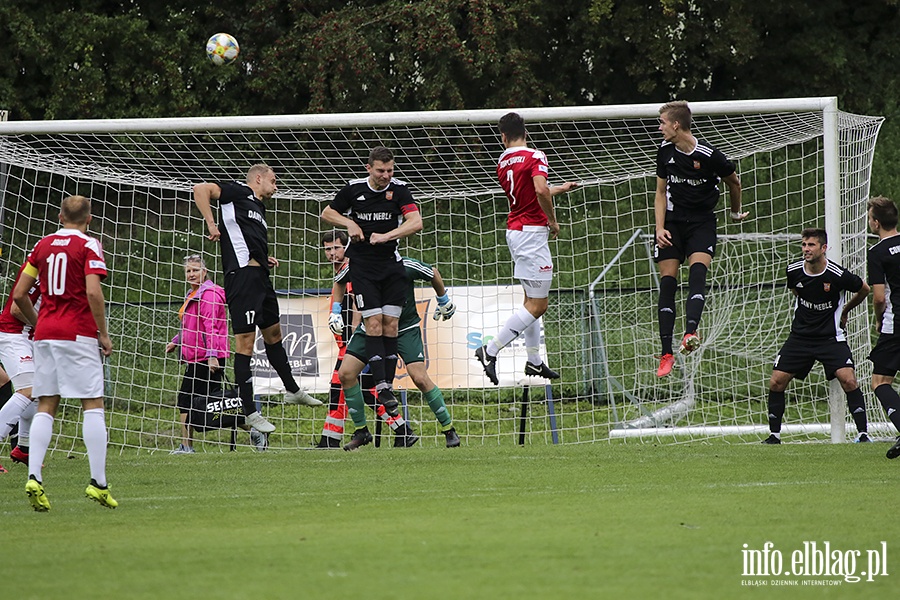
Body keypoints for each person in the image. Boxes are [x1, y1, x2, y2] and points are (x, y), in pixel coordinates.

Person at [193, 164, 322, 435]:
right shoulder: (237, 192)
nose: (276, 187)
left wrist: (264, 258)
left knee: (274, 334)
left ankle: (292, 390)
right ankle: (250, 412)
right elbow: (200, 189)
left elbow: (246, 237)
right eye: (274, 181)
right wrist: (211, 224)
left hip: (260, 277)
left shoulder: (258, 209)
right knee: (246, 344)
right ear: (259, 178)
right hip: (241, 279)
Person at [13, 195, 117, 511]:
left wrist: (40, 323)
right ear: (89, 219)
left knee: (46, 402)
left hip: (45, 333)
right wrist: (103, 332)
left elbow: (19, 294)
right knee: (93, 403)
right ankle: (98, 482)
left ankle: (34, 477)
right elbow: (92, 291)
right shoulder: (89, 245)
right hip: (78, 333)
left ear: (60, 216)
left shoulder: (42, 246)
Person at [321, 146, 423, 448]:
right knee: (373, 325)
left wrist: (388, 236)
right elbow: (327, 212)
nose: (386, 176)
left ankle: (384, 394)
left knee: (388, 325)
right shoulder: (353, 190)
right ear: (369, 168)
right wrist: (349, 223)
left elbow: (416, 222)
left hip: (390, 268)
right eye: (381, 171)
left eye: (390, 170)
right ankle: (376, 405)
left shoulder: (399, 191)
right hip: (365, 269)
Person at [475, 112, 578, 385]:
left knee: (530, 300)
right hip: (532, 234)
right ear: (526, 133)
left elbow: (532, 192)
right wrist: (553, 221)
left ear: (503, 137)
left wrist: (560, 189)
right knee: (538, 304)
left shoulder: (502, 160)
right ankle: (490, 350)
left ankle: (534, 362)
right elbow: (540, 191)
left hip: (516, 231)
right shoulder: (536, 156)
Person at [654, 100, 748, 378]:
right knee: (668, 283)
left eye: (661, 122)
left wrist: (734, 212)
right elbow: (660, 193)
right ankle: (666, 354)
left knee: (698, 274)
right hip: (672, 222)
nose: (659, 128)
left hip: (701, 223)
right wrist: (659, 228)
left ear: (676, 124)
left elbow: (735, 182)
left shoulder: (710, 155)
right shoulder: (664, 152)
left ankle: (690, 334)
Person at [332, 256, 460, 450]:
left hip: (404, 330)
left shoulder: (405, 266)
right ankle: (361, 431)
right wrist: (335, 310)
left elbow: (432, 272)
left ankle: (449, 429)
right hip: (369, 329)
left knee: (419, 377)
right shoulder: (360, 264)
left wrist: (443, 299)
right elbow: (339, 280)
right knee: (346, 374)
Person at [762, 228, 871, 444]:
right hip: (800, 337)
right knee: (776, 381)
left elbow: (864, 289)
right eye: (803, 244)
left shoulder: (837, 275)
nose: (806, 249)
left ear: (823, 248)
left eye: (811, 245)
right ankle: (774, 435)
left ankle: (863, 434)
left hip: (830, 337)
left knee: (848, 379)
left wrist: (845, 310)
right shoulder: (793, 270)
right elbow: (797, 292)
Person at [315, 231, 408, 448]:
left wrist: (356, 334)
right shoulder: (342, 272)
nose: (331, 253)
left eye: (336, 247)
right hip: (349, 341)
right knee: (366, 390)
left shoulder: (354, 269)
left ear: (346, 248)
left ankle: (330, 439)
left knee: (341, 384)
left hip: (356, 341)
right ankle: (402, 429)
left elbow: (360, 303)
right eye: (327, 249)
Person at [165, 255, 231, 454]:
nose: (191, 274)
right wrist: (177, 341)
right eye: (188, 271)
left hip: (207, 357)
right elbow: (192, 326)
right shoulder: (192, 294)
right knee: (214, 403)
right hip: (197, 356)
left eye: (195, 270)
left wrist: (212, 355)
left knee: (187, 401)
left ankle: (187, 446)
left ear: (205, 271)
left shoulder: (209, 295)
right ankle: (253, 429)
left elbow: (211, 328)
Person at [864, 196, 900, 458]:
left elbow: (878, 297)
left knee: (880, 381)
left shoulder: (877, 253)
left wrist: (879, 318)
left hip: (896, 323)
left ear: (876, 223)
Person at [0, 260, 42, 472]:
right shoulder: (42, 266)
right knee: (28, 390)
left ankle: (23, 448)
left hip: (31, 336)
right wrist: (44, 327)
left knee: (40, 392)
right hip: (13, 334)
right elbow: (17, 308)